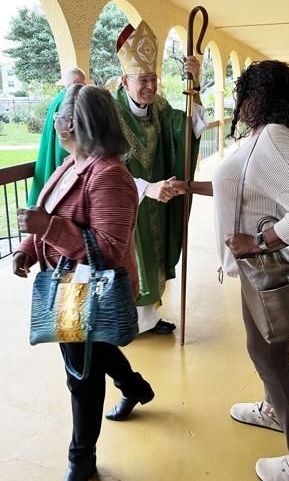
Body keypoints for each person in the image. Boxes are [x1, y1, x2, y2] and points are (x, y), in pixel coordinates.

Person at [183, 60, 289, 480]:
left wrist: (259, 242)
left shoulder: (276, 140)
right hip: (256, 270)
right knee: (270, 348)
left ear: (261, 96)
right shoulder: (264, 136)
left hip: (264, 266)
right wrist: (190, 186)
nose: (239, 103)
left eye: (244, 93)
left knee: (267, 355)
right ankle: (271, 409)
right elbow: (243, 184)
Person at [13, 84, 154, 481]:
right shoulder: (70, 165)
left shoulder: (109, 176)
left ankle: (82, 461)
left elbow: (109, 250)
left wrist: (48, 229)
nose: (54, 124)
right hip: (68, 285)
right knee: (96, 351)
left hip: (89, 290)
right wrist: (29, 245)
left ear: (73, 124)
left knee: (82, 376)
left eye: (57, 117)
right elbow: (47, 212)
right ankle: (136, 388)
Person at [113, 20, 206, 336]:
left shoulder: (160, 108)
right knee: (132, 262)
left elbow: (189, 129)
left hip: (156, 202)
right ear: (125, 81)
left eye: (153, 79)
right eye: (143, 80)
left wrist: (196, 84)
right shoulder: (109, 114)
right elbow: (102, 168)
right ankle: (126, 324)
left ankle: (147, 321)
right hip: (121, 208)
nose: (150, 86)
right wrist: (144, 188)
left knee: (152, 261)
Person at [27, 67, 86, 206]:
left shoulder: (59, 98)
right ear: (76, 81)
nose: (83, 87)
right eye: (82, 84)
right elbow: (66, 143)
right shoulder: (69, 101)